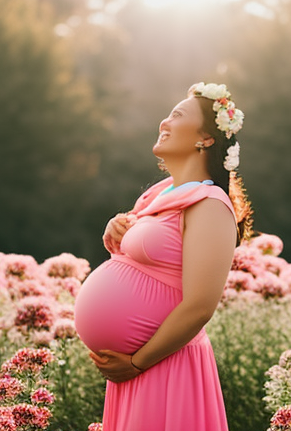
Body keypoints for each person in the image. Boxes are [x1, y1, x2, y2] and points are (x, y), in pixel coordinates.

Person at [74, 82, 252, 431]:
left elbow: (200, 306)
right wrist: (116, 230)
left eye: (177, 115)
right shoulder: (159, 196)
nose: (163, 122)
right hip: (134, 370)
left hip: (164, 366)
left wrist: (138, 362)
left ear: (206, 138)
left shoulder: (211, 205)